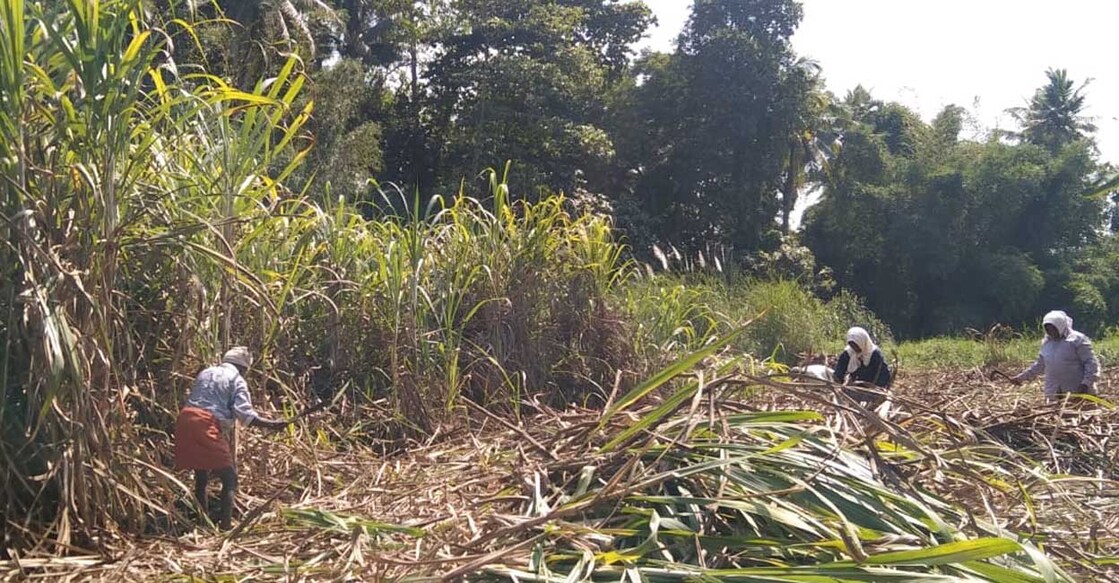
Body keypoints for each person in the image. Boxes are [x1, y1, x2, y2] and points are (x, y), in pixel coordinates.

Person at [173, 347, 290, 529]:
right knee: (229, 477)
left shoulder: (207, 372)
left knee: (201, 475)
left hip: (185, 419)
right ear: (244, 368)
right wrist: (273, 425)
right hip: (205, 423)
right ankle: (226, 527)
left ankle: (203, 523)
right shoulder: (237, 380)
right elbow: (246, 416)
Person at [1010, 310, 1099, 401]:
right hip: (1053, 394)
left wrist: (1086, 384)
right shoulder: (1046, 343)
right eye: (1047, 329)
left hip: (1078, 393)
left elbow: (1091, 363)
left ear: (1060, 326)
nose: (1050, 331)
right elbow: (1039, 365)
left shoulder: (1077, 340)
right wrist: (1020, 378)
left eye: (1053, 328)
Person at [833, 327, 891, 404]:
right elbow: (840, 370)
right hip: (855, 387)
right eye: (851, 345)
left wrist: (877, 389)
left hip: (872, 389)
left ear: (863, 342)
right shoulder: (849, 353)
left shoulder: (875, 354)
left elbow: (884, 375)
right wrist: (837, 382)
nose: (854, 348)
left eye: (856, 345)